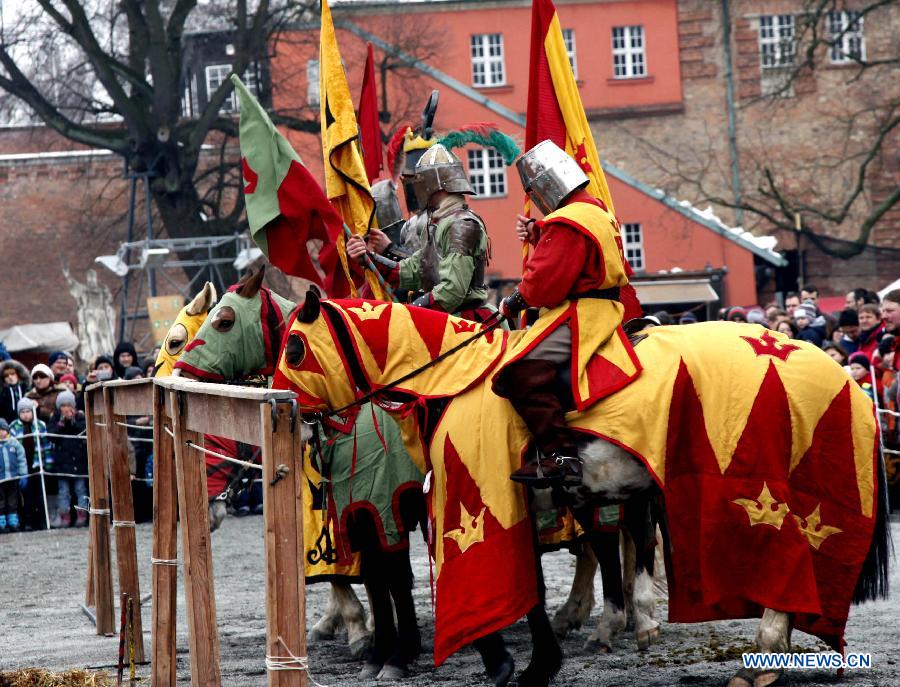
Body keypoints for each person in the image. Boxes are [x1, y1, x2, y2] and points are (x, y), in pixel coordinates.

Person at [493, 140, 642, 486]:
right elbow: (574, 259)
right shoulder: (594, 210)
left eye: (533, 191)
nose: (535, 200)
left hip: (584, 313)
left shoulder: (568, 220)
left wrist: (513, 301)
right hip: (605, 307)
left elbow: (545, 284)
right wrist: (540, 235)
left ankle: (563, 457)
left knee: (521, 374)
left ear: (544, 186)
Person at [346, 144, 493, 320]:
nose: (416, 186)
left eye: (420, 179)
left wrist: (408, 313)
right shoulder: (436, 223)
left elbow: (452, 291)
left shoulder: (462, 225)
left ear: (433, 183)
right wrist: (368, 258)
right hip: (446, 318)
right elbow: (413, 271)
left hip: (466, 322)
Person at [9, 398, 53, 530]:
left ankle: (42, 521)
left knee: (39, 494)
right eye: (22, 412)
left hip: (37, 465)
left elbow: (46, 446)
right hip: (22, 467)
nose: (26, 414)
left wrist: (48, 464)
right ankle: (27, 521)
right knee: (26, 496)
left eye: (28, 411)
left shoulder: (40, 425)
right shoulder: (14, 427)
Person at [51, 390, 89, 527]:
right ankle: (65, 516)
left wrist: (72, 421)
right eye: (63, 406)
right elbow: (51, 436)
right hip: (62, 462)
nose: (66, 409)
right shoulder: (55, 418)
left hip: (78, 461)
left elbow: (84, 431)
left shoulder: (80, 417)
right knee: (64, 491)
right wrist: (61, 423)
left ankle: (82, 515)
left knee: (80, 489)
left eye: (68, 405)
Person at [0, 418, 27, 533]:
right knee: (0, 501)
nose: (1, 432)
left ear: (7, 430)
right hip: (0, 480)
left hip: (13, 478)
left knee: (13, 501)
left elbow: (22, 459)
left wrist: (23, 474)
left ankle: (13, 521)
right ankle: (1, 522)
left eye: (2, 430)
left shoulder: (14, 443)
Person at [0, 359, 31, 425]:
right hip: (8, 424)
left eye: (12, 374)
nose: (10, 377)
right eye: (6, 376)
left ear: (18, 375)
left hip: (27, 423)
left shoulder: (26, 388)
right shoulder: (3, 393)